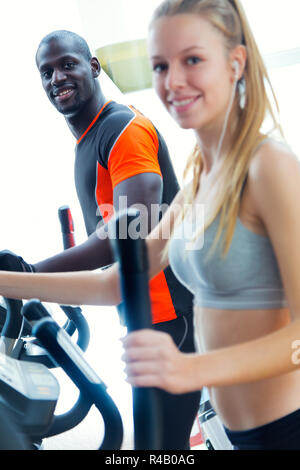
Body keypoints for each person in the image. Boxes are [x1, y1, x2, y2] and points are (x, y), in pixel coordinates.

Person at [1, 0, 300, 450]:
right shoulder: (203, 174)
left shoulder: (268, 167)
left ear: (235, 62)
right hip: (245, 435)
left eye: (192, 60)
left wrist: (193, 369)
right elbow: (121, 282)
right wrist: (11, 281)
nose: (173, 82)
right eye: (160, 66)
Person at [0, 30, 200, 450]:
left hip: (174, 315)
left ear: (92, 68)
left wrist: (30, 273)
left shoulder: (121, 129)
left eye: (67, 65)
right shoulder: (89, 138)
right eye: (46, 72)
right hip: (145, 314)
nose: (57, 77)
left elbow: (127, 235)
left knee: (162, 448)